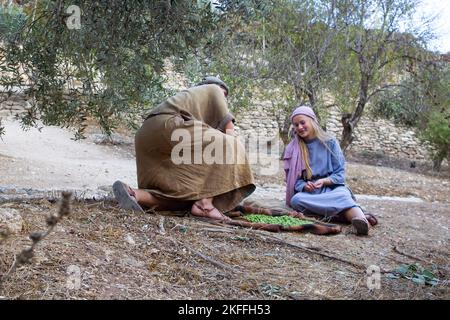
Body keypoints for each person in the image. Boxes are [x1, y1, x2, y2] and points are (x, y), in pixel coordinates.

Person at [113, 76, 256, 221]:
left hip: (146, 135)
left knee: (181, 196)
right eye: (225, 96)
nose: (225, 101)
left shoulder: (189, 103)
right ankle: (205, 205)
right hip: (170, 125)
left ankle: (133, 194)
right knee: (232, 145)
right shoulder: (214, 89)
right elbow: (229, 131)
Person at [284, 105, 377, 235]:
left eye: (302, 122)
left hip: (332, 189)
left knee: (343, 195)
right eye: (296, 124)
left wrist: (324, 181)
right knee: (296, 200)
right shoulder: (294, 148)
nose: (299, 127)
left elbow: (339, 174)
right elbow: (295, 181)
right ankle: (345, 216)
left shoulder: (330, 142)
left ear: (312, 121)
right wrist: (305, 186)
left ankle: (363, 224)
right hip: (312, 194)